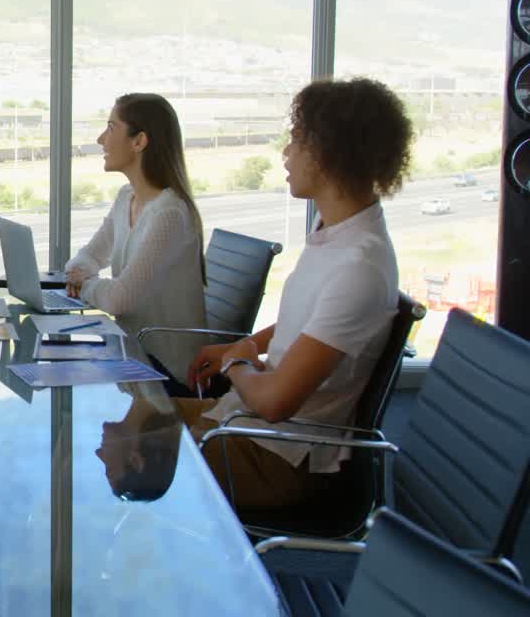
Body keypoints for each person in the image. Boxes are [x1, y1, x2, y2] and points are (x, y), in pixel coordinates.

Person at [178, 77, 413, 509]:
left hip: (279, 457)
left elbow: (274, 402)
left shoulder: (358, 266)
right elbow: (307, 324)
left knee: (129, 452)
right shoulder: (337, 234)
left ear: (329, 152)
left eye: (297, 139)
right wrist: (244, 346)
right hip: (247, 425)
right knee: (129, 414)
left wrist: (236, 362)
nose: (286, 152)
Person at [64, 93, 208, 377]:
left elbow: (119, 300)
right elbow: (88, 256)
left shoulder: (169, 213)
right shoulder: (126, 197)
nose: (101, 139)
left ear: (139, 141)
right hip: (132, 354)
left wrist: (84, 283)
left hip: (165, 371)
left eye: (111, 127)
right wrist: (80, 274)